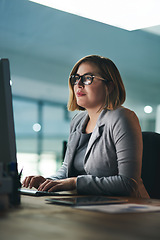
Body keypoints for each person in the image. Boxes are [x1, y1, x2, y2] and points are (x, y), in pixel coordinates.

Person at [23, 55, 149, 198]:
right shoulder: (78, 120)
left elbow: (128, 184)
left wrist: (75, 183)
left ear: (109, 86)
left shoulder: (122, 117)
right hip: (90, 205)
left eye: (88, 78)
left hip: (129, 210)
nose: (79, 84)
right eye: (76, 78)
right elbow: (66, 170)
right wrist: (48, 181)